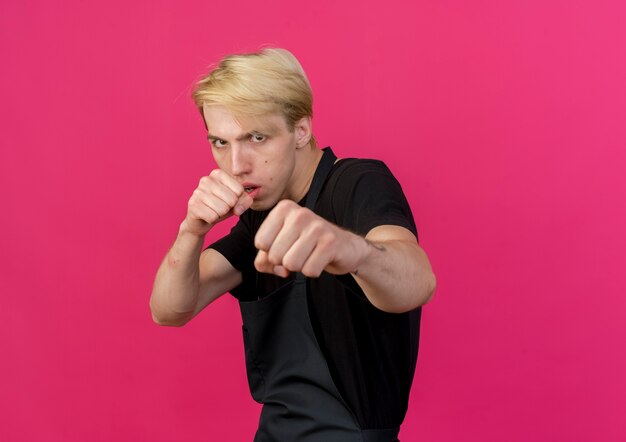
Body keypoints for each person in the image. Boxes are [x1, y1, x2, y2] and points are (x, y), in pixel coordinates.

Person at [150, 48, 436, 442]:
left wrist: (347, 249)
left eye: (256, 137)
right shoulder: (258, 217)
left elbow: (418, 281)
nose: (236, 164)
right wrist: (191, 230)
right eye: (220, 142)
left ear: (301, 130)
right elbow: (170, 309)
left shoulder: (357, 182)